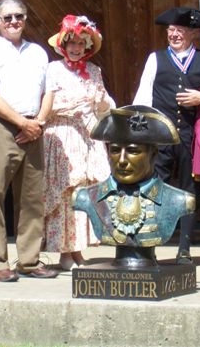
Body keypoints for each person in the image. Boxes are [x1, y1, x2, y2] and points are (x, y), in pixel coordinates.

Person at [0, 0, 58, 282]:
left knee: (32, 199)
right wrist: (22, 123)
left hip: (35, 127)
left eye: (19, 16)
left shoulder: (38, 53)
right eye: (7, 18)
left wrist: (38, 123)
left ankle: (30, 260)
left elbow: (49, 92)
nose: (14, 22)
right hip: (2, 128)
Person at [133, 7, 200, 264]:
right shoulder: (156, 58)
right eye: (171, 30)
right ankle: (148, 245)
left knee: (189, 191)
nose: (173, 35)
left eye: (179, 31)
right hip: (160, 136)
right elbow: (143, 96)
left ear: (192, 34)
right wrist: (141, 133)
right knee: (151, 187)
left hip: (190, 138)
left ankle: (184, 248)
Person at [72, 105, 195, 267]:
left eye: (133, 151)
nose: (122, 160)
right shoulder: (85, 197)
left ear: (153, 155)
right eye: (115, 150)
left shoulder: (180, 200)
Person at [43, 14, 115, 270]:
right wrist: (68, 107)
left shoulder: (94, 72)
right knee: (65, 194)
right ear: (63, 44)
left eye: (80, 44)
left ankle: (78, 249)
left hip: (87, 138)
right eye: (71, 43)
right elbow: (44, 105)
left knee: (85, 193)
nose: (76, 48)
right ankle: (64, 251)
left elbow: (105, 108)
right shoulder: (53, 69)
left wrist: (102, 99)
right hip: (62, 135)